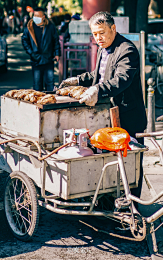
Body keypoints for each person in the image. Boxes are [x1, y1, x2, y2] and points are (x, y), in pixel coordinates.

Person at [59, 11, 147, 198]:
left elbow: (121, 79)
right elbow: (98, 75)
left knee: (131, 168)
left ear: (113, 29)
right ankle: (111, 203)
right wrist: (78, 80)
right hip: (108, 116)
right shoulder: (103, 48)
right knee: (111, 163)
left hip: (128, 117)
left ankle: (132, 210)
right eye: (94, 34)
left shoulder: (127, 50)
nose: (98, 38)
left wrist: (98, 90)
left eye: (102, 32)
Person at [22, 7, 61, 91]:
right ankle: (37, 103)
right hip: (35, 59)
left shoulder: (50, 27)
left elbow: (56, 40)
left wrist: (57, 53)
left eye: (38, 16)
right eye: (35, 15)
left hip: (48, 58)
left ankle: (50, 101)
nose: (36, 17)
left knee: (50, 83)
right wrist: (31, 52)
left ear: (43, 17)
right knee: (37, 84)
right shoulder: (29, 27)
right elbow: (24, 40)